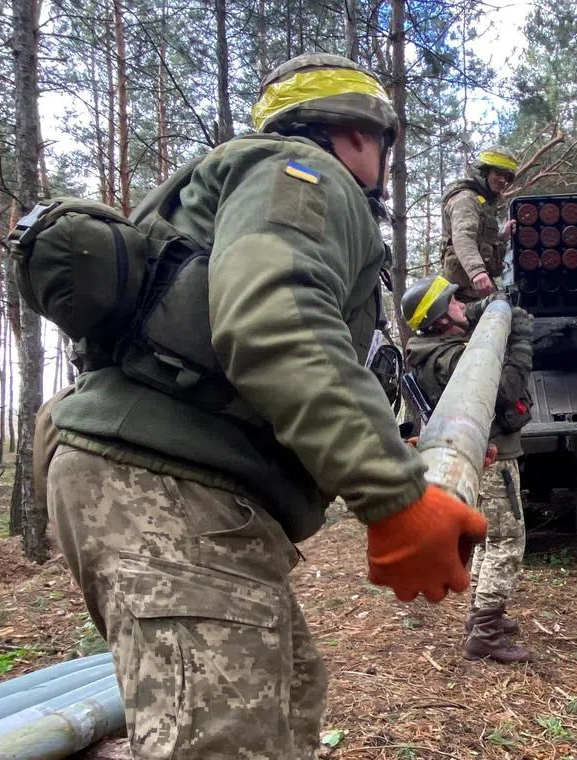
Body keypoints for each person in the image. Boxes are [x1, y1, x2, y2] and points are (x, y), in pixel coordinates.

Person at [41, 53, 487, 760]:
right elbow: (273, 322)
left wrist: (401, 453)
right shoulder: (302, 177)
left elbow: (276, 365)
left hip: (178, 492)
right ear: (360, 134)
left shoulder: (251, 186)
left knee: (288, 702)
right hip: (169, 494)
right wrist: (393, 496)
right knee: (224, 743)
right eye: (382, 144)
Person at [402, 275, 535, 663]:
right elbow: (505, 389)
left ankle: (484, 613)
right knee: (507, 541)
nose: (463, 306)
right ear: (442, 318)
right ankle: (486, 630)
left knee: (490, 540)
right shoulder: (454, 359)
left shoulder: (434, 349)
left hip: (482, 452)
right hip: (490, 455)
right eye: (455, 304)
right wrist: (522, 340)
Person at [440, 146, 520, 301]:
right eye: (498, 173)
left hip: (477, 289)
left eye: (507, 177)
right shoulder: (466, 199)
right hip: (464, 293)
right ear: (484, 172)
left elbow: (480, 240)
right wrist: (476, 271)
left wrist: (502, 236)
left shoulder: (482, 202)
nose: (503, 180)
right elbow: (463, 236)